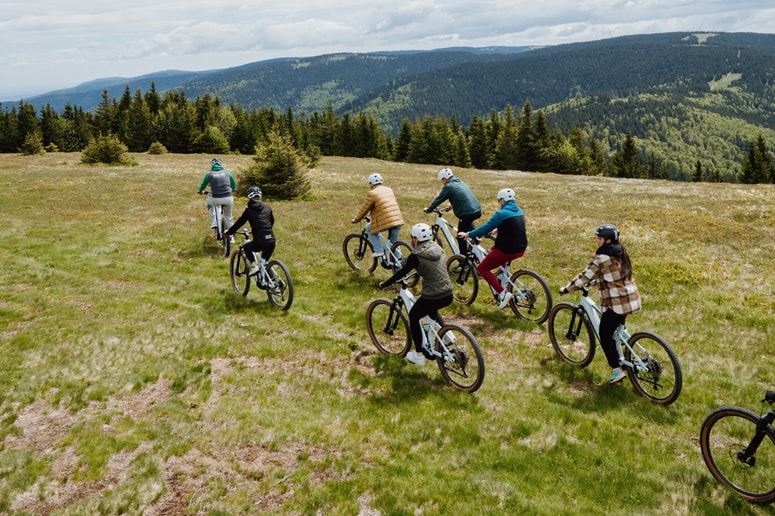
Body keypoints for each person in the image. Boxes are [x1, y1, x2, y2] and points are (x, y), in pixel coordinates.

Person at [559, 223, 641, 384]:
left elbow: (584, 277)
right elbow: (614, 273)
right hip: (632, 298)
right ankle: (625, 353)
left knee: (604, 334)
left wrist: (567, 289)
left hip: (618, 303)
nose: (596, 240)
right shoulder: (621, 251)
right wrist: (599, 280)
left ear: (608, 241)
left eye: (599, 238)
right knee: (615, 331)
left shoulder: (601, 258)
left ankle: (616, 370)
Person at [379, 223, 453, 366]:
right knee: (431, 309)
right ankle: (448, 335)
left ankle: (419, 355)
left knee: (414, 315)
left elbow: (402, 271)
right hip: (448, 292)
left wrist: (385, 283)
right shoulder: (437, 247)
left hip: (433, 294)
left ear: (415, 239)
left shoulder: (417, 255)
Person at [458, 188, 527, 310]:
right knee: (494, 248)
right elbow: (511, 225)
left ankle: (502, 293)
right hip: (521, 248)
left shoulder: (501, 213)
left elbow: (485, 227)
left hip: (508, 250)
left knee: (482, 268)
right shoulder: (519, 211)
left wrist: (469, 234)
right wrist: (496, 230)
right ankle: (503, 275)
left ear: (502, 200)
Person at [351, 173, 405, 268]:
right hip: (397, 219)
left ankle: (379, 251)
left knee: (369, 229)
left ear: (371, 183)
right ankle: (398, 264)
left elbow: (365, 208)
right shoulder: (389, 189)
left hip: (387, 221)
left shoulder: (372, 193)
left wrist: (357, 219)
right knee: (393, 243)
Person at [423, 167, 481, 253]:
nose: (442, 183)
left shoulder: (449, 186)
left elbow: (439, 199)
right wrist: (452, 205)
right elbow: (461, 196)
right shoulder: (459, 182)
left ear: (445, 178)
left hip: (467, 213)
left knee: (461, 235)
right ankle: (476, 241)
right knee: (468, 225)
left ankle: (463, 259)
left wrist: (429, 209)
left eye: (442, 180)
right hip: (477, 210)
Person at [224, 186, 275, 276]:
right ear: (260, 196)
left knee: (246, 247)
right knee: (264, 263)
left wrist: (229, 232)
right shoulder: (267, 208)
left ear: (249, 197)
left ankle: (254, 265)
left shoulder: (249, 210)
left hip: (260, 241)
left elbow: (240, 223)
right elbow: (271, 222)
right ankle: (273, 284)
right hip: (271, 240)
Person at [197, 158, 236, 238]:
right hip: (228, 198)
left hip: (215, 199)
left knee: (208, 202)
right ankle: (232, 237)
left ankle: (215, 220)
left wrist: (200, 191)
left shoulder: (209, 174)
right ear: (221, 164)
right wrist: (234, 189)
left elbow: (203, 185)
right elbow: (233, 183)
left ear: (212, 164)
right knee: (228, 216)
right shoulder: (228, 173)